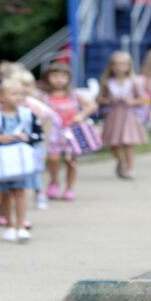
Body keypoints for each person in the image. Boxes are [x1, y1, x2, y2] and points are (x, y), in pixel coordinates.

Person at [0, 78, 43, 242]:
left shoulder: (28, 115)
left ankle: (21, 226)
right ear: (1, 96)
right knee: (3, 194)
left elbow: (39, 134)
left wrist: (27, 138)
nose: (18, 97)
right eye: (14, 94)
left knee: (20, 192)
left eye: (21, 93)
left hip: (21, 162)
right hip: (1, 164)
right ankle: (9, 225)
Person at [39, 63, 97, 200]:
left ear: (68, 78)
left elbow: (92, 105)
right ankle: (54, 181)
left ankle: (69, 188)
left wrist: (81, 115)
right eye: (54, 76)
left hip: (71, 132)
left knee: (71, 160)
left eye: (62, 76)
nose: (58, 80)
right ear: (47, 78)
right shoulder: (44, 97)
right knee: (53, 158)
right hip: (53, 133)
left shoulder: (74, 95)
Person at [6, 67, 60, 211]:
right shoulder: (6, 106)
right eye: (20, 85)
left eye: (28, 85)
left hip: (32, 144)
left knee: (35, 170)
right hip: (12, 144)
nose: (24, 89)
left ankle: (38, 193)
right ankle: (10, 197)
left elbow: (49, 117)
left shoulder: (33, 104)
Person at [97, 51, 148, 179]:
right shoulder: (107, 82)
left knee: (128, 143)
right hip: (113, 115)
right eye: (116, 64)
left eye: (123, 64)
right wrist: (109, 100)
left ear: (129, 66)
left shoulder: (134, 82)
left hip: (128, 115)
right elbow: (99, 99)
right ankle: (121, 162)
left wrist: (132, 101)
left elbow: (143, 99)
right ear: (111, 66)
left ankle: (130, 169)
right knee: (113, 143)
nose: (119, 67)